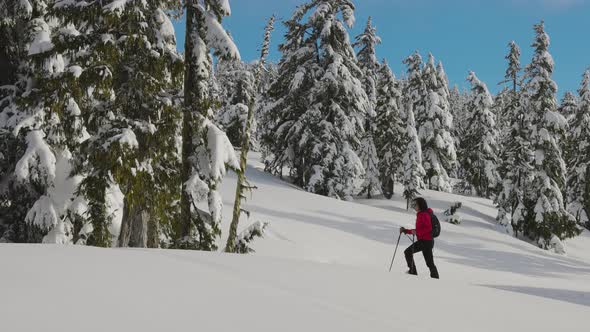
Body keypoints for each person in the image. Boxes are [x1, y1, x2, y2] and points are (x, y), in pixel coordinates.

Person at [400, 197, 439, 279]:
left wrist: (416, 232)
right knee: (429, 263)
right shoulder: (422, 214)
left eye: (415, 204)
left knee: (408, 252)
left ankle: (413, 272)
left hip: (425, 241)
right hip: (427, 241)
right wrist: (407, 231)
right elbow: (419, 230)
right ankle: (435, 278)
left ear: (420, 205)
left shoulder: (423, 214)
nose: (414, 206)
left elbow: (427, 228)